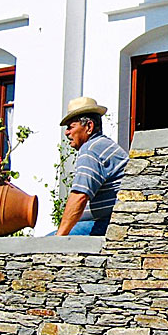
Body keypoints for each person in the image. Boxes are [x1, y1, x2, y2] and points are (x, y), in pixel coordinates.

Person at [55, 97, 128, 236]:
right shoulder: (101, 144)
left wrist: (58, 240)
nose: (67, 133)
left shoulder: (90, 149)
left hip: (106, 223)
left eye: (71, 126)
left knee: (41, 245)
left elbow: (80, 196)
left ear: (89, 126)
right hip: (113, 221)